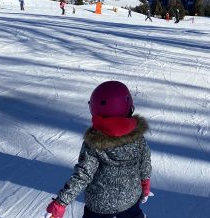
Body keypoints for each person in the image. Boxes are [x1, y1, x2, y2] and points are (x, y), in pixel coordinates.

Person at [45, 81, 152, 218]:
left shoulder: (94, 143)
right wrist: (145, 184)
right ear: (129, 106)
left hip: (99, 206)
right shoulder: (138, 138)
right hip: (130, 200)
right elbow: (145, 163)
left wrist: (61, 203)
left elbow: (83, 175)